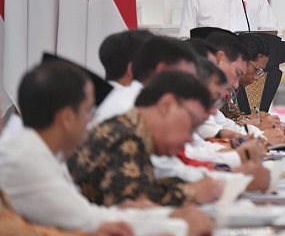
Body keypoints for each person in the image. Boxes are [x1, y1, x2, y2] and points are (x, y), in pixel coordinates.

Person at [0, 61, 212, 235]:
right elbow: (87, 221)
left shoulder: (38, 151)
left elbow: (88, 215)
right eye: (88, 110)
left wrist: (162, 217)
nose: (92, 120)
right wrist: (177, 225)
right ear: (66, 118)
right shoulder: (27, 158)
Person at [68, 71, 224, 207]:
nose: (190, 138)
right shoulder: (126, 138)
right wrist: (190, 193)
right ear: (166, 105)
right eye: (192, 124)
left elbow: (142, 188)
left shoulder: (132, 130)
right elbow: (130, 206)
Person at [91, 36, 199, 127]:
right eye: (186, 78)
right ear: (162, 70)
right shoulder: (134, 108)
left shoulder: (139, 101)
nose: (191, 86)